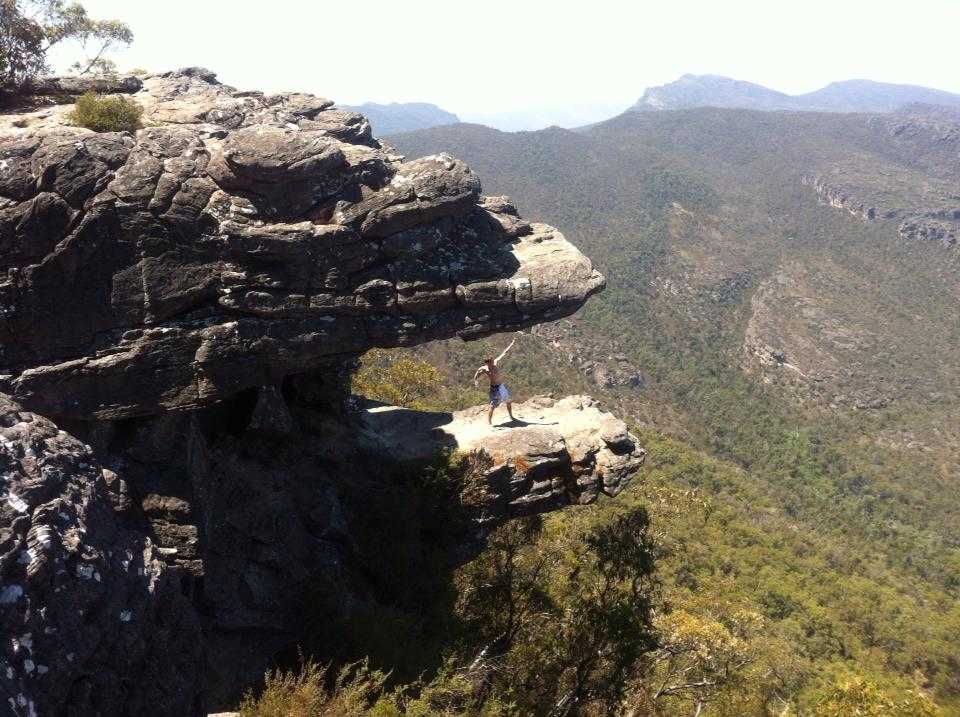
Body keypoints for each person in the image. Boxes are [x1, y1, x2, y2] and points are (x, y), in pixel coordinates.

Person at [473, 336, 518, 426]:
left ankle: (511, 416)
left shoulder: (496, 362)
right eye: (491, 362)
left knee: (508, 401)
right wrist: (476, 381)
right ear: (487, 363)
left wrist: (512, 343)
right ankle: (489, 422)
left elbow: (505, 352)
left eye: (493, 361)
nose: (493, 363)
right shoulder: (484, 369)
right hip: (494, 388)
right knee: (492, 405)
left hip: (501, 386)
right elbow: (477, 374)